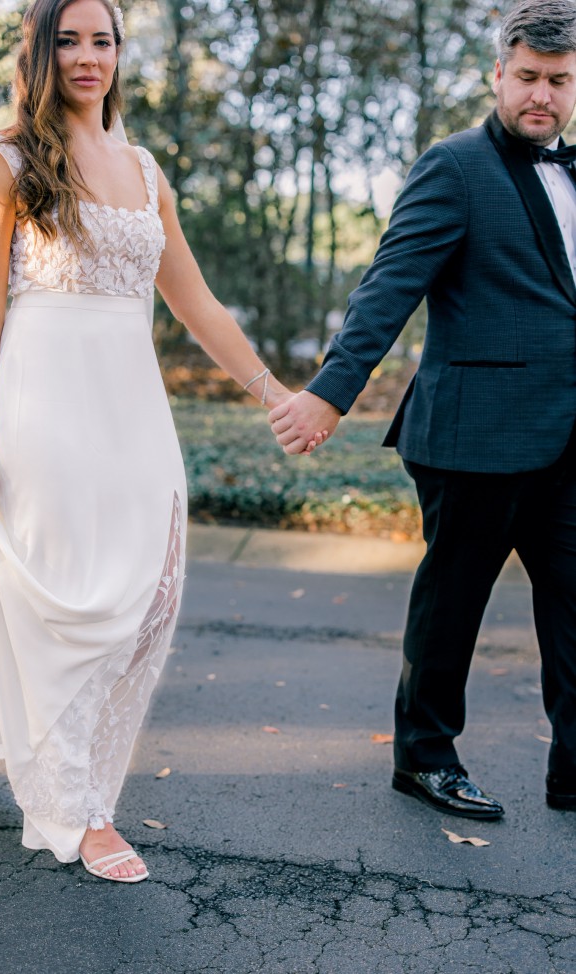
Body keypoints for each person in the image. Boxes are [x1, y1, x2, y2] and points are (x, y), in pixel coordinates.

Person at [0, 0, 326, 883]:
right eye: (67, 39)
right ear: (41, 50)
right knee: (61, 603)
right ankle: (77, 810)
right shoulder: (5, 162)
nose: (86, 55)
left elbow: (195, 299)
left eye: (101, 39)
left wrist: (273, 390)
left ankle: (75, 773)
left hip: (132, 409)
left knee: (146, 602)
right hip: (44, 405)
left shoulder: (144, 170)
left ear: (118, 53)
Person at [269, 0, 576, 820]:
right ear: (497, 75)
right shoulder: (454, 166)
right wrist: (331, 393)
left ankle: (574, 770)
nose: (540, 95)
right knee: (452, 610)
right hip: (473, 433)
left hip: (570, 435)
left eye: (558, 80)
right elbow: (388, 289)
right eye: (527, 78)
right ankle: (424, 757)